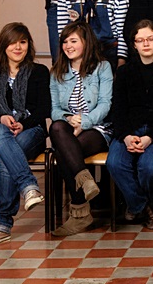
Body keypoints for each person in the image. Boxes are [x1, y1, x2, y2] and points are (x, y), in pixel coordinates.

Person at [0, 23, 50, 247]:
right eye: (12, 42)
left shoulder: (39, 72)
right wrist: (2, 118)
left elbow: (44, 110)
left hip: (30, 132)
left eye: (22, 42)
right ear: (3, 45)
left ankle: (2, 225)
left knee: (7, 158)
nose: (18, 47)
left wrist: (23, 124)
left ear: (28, 45)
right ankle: (28, 186)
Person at [106, 20, 153, 230]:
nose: (146, 44)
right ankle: (144, 206)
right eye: (140, 40)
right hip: (129, 131)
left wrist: (150, 137)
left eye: (150, 39)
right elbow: (118, 109)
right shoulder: (124, 72)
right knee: (114, 163)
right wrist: (126, 136)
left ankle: (135, 205)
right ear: (134, 44)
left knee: (148, 167)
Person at [48, 22, 113, 236]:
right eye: (65, 42)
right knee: (57, 127)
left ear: (86, 42)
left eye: (73, 41)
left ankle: (80, 213)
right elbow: (55, 110)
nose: (68, 46)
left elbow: (105, 104)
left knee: (63, 152)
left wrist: (84, 123)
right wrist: (69, 119)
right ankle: (85, 180)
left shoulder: (102, 67)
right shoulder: (56, 72)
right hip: (68, 130)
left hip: (97, 128)